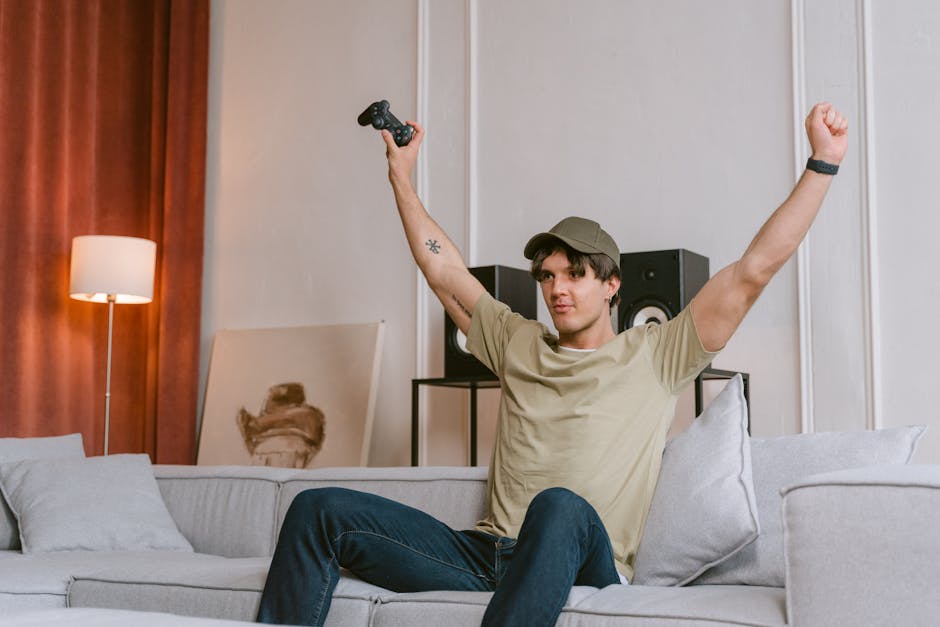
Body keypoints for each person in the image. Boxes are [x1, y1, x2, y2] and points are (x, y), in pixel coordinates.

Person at [256, 102, 849, 627]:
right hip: (485, 556)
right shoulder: (518, 342)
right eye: (547, 276)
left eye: (574, 274)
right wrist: (401, 176)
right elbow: (442, 271)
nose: (556, 289)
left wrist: (821, 165)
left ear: (612, 284)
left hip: (583, 557)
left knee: (558, 505)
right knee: (318, 509)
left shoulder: (658, 353)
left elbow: (754, 270)